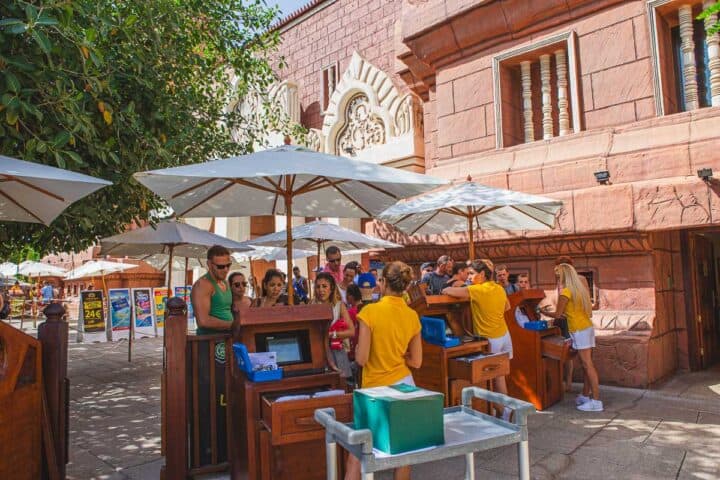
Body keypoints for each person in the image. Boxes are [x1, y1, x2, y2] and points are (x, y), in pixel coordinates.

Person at [347, 261, 422, 480]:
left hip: (375, 389)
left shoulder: (370, 312)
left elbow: (361, 359)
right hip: (404, 384)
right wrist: (401, 355)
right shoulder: (412, 316)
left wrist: (361, 347)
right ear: (406, 286)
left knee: (358, 451)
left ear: (383, 282)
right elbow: (416, 361)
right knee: (403, 450)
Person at [443, 258, 513, 421]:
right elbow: (507, 307)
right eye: (467, 274)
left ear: (482, 274)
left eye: (472, 274)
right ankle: (507, 410)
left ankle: (499, 410)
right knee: (500, 376)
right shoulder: (498, 288)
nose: (469, 277)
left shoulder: (477, 290)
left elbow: (447, 291)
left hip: (490, 339)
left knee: (489, 379)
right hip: (504, 335)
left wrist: (455, 285)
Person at [541, 263, 603, 412]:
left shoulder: (566, 292)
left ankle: (596, 401)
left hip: (579, 329)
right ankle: (586, 395)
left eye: (558, 276)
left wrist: (542, 311)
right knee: (586, 365)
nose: (557, 279)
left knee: (587, 365)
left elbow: (557, 314)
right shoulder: (580, 290)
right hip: (586, 327)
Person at [314, 272, 354, 381]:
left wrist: (333, 334)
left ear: (331, 288)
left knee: (341, 384)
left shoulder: (339, 305)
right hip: (318, 353)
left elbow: (351, 331)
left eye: (324, 286)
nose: (321, 290)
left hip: (336, 351)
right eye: (318, 287)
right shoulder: (311, 306)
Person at [192, 245, 234, 334]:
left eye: (228, 265)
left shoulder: (225, 283)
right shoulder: (203, 285)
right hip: (210, 340)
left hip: (225, 338)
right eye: (220, 266)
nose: (226, 269)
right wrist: (232, 325)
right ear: (209, 264)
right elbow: (203, 321)